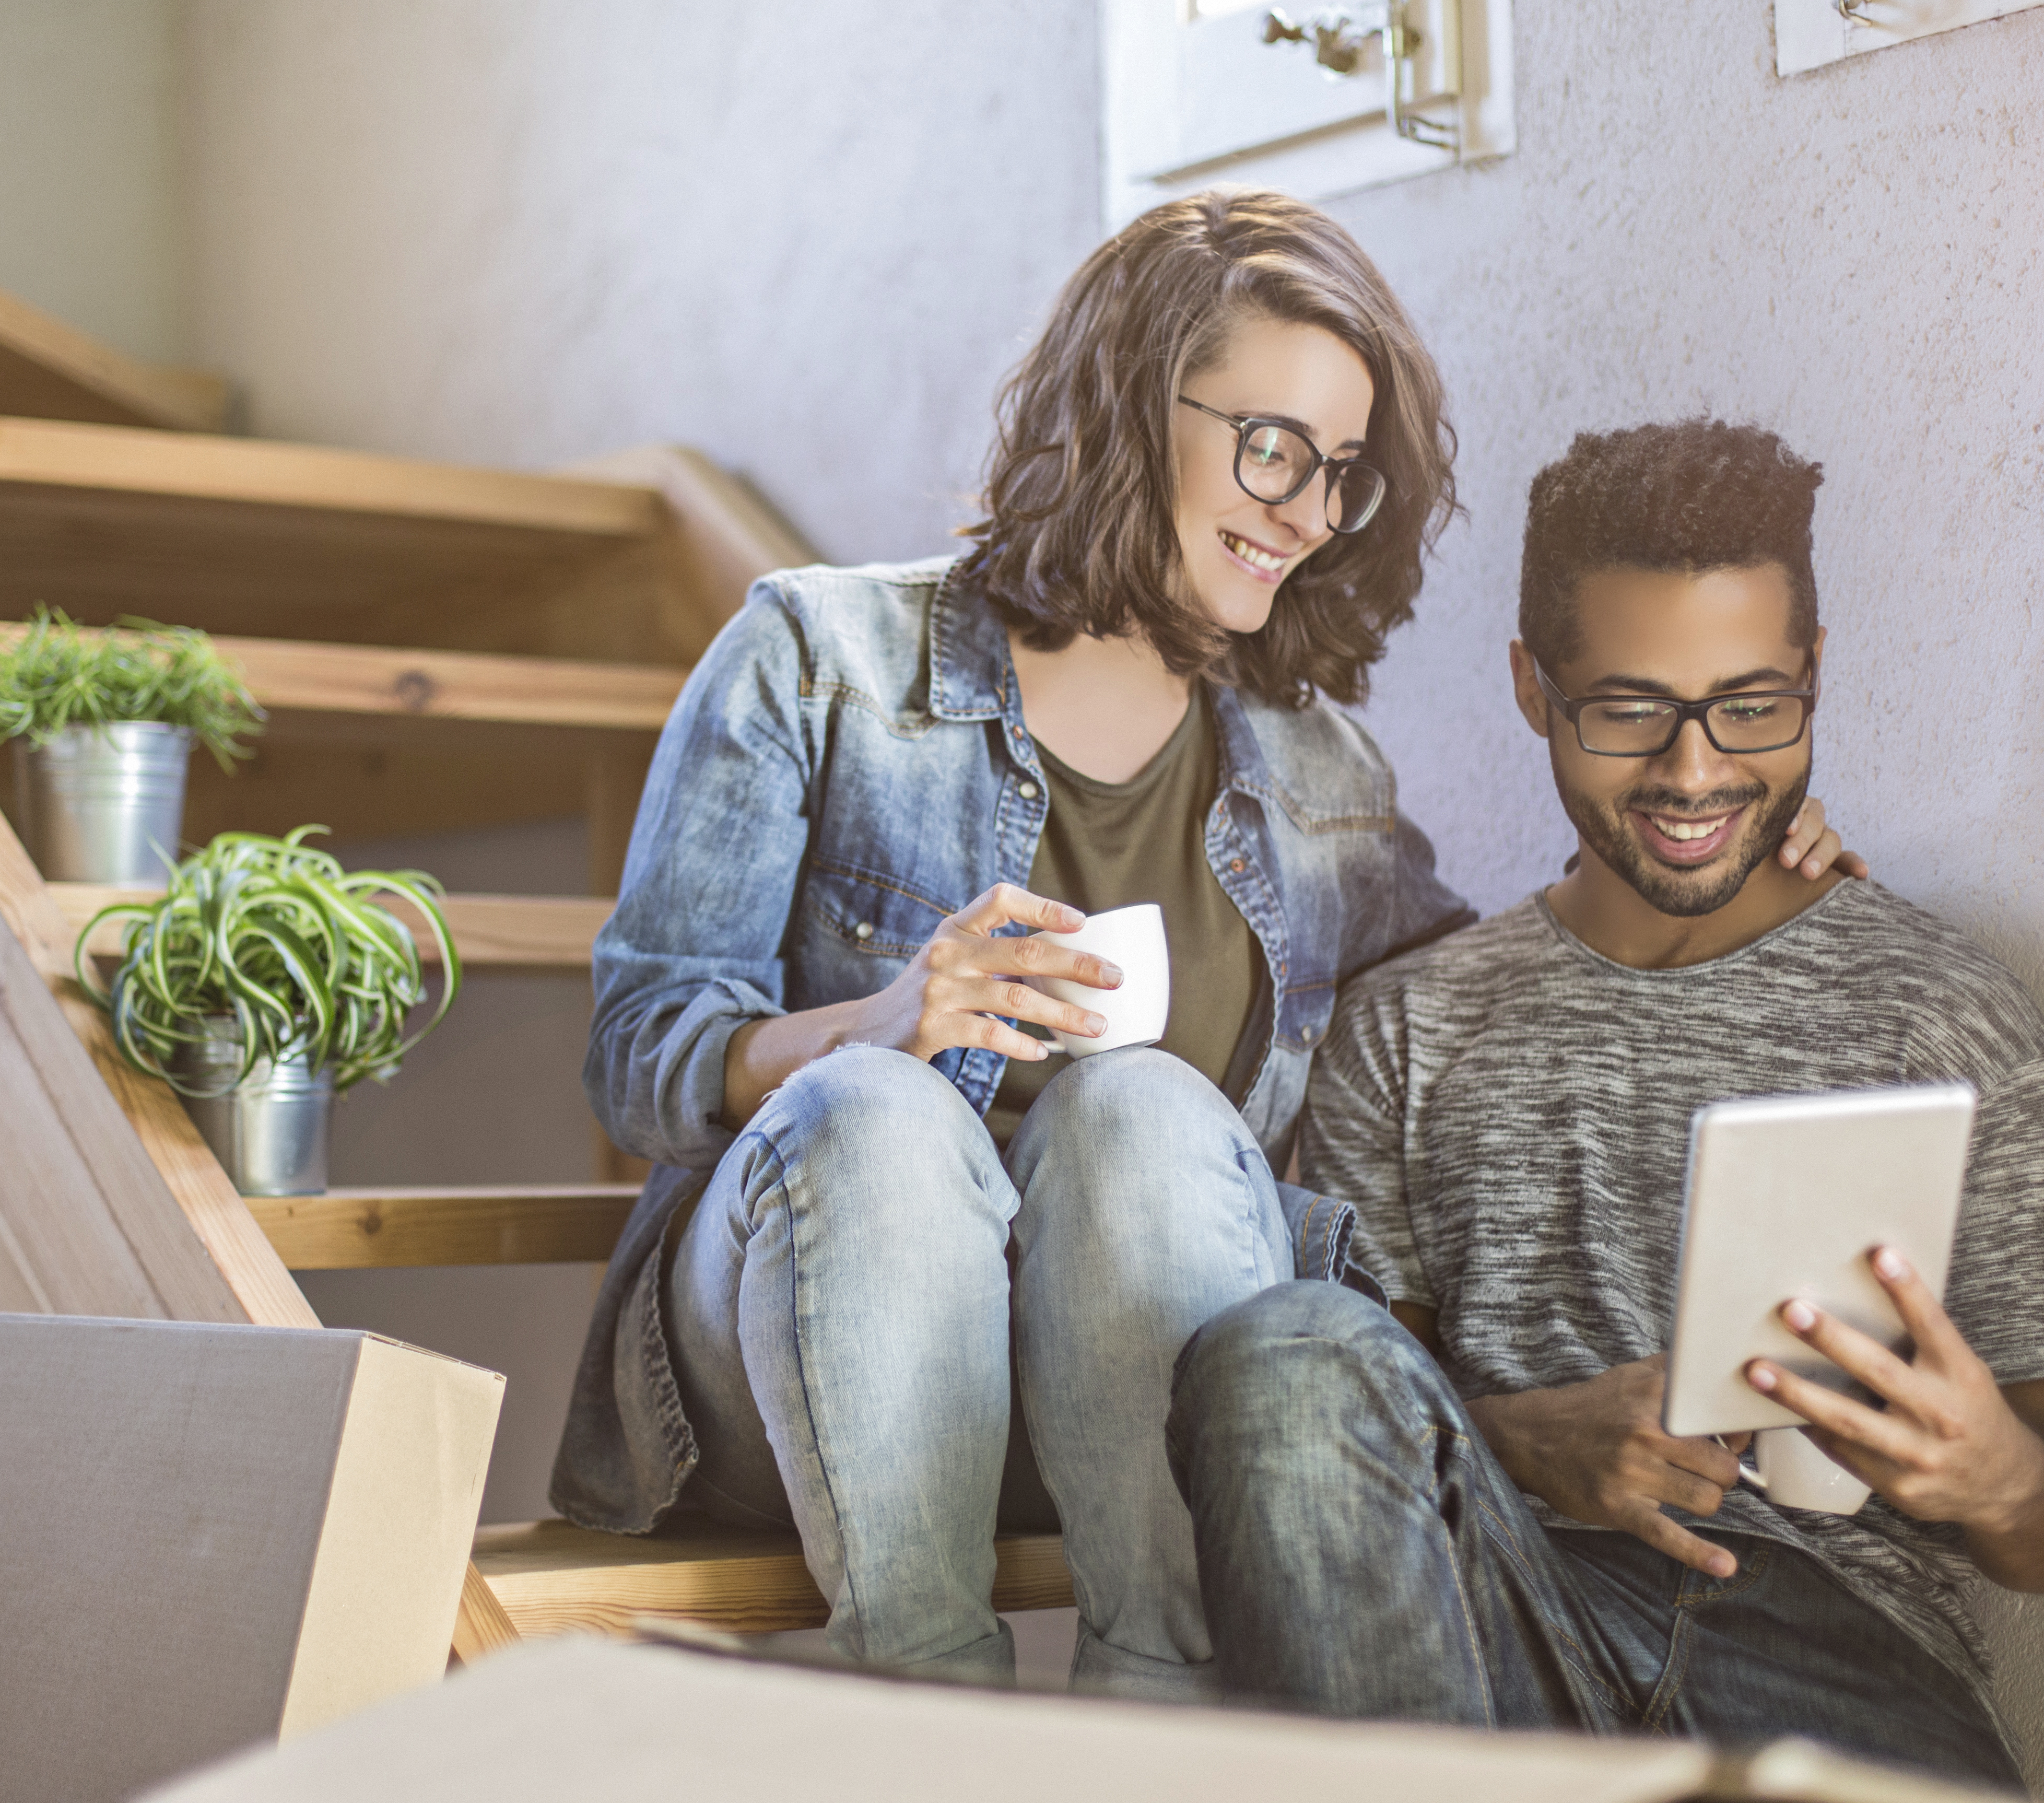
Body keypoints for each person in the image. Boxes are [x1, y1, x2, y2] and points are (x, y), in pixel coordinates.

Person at [550, 200, 1858, 1701]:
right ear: (1123, 405)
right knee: (881, 1114)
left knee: (1145, 1106)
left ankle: (1156, 1711)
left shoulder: (1316, 769)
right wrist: (876, 1022)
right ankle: (916, 1712)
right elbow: (639, 1046)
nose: (1305, 512)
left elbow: (1478, 1002)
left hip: (1123, 1399)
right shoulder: (816, 656)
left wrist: (1738, 856)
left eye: (1343, 475)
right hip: (801, 1370)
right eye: (1272, 448)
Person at [1167, 418, 2044, 1785]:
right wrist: (1522, 1441)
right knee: (1274, 1346)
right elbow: (1336, 1426)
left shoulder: (1939, 1013)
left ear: (1811, 676)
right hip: (1503, 1626)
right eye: (1627, 710)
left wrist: (1998, 1476)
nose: (1693, 774)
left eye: (1750, 705)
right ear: (1531, 686)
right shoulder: (1411, 1025)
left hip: (1838, 1652)